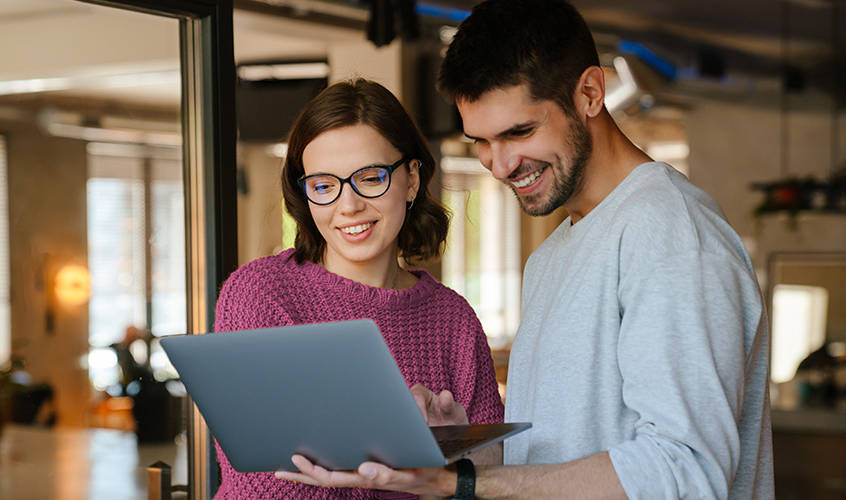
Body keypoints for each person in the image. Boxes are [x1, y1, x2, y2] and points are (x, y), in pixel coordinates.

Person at [275, 1, 774, 499]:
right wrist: (460, 449)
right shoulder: (551, 257)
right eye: (482, 141)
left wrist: (465, 480)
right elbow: (541, 468)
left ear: (591, 93)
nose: (500, 164)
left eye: (520, 132)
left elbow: (687, 471)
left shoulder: (672, 237)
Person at [212, 78, 505, 499]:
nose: (347, 206)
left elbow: (489, 481)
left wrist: (453, 455)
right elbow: (260, 485)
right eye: (324, 185)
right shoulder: (260, 294)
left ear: (411, 179)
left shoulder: (453, 320)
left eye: (369, 178)